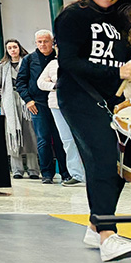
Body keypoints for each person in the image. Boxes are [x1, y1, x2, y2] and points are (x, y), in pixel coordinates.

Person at [54, 0, 131, 262]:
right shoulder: (73, 15)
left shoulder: (118, 21)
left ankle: (95, 225)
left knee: (121, 164)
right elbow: (69, 62)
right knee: (102, 159)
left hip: (111, 99)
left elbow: (124, 59)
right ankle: (107, 236)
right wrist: (118, 71)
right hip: (78, 96)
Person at [16, 30, 71, 184]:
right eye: (39, 42)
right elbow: (20, 82)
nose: (43, 44)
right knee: (43, 139)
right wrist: (28, 100)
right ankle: (47, 174)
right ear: (35, 43)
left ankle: (66, 173)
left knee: (61, 138)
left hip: (59, 104)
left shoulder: (60, 58)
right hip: (38, 105)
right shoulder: (29, 60)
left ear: (52, 42)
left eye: (46, 41)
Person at [36, 52, 85, 186]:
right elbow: (40, 82)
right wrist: (54, 85)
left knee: (83, 139)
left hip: (78, 105)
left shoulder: (80, 62)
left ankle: (91, 173)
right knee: (67, 140)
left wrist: (59, 82)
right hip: (56, 105)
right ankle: (76, 174)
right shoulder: (52, 64)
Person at [0, 39, 40, 179]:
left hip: (26, 100)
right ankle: (17, 169)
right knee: (12, 134)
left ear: (19, 48)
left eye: (15, 47)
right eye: (9, 48)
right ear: (6, 50)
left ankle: (33, 169)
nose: (13, 50)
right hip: (10, 101)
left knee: (30, 134)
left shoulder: (27, 62)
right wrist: (0, 97)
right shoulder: (2, 65)